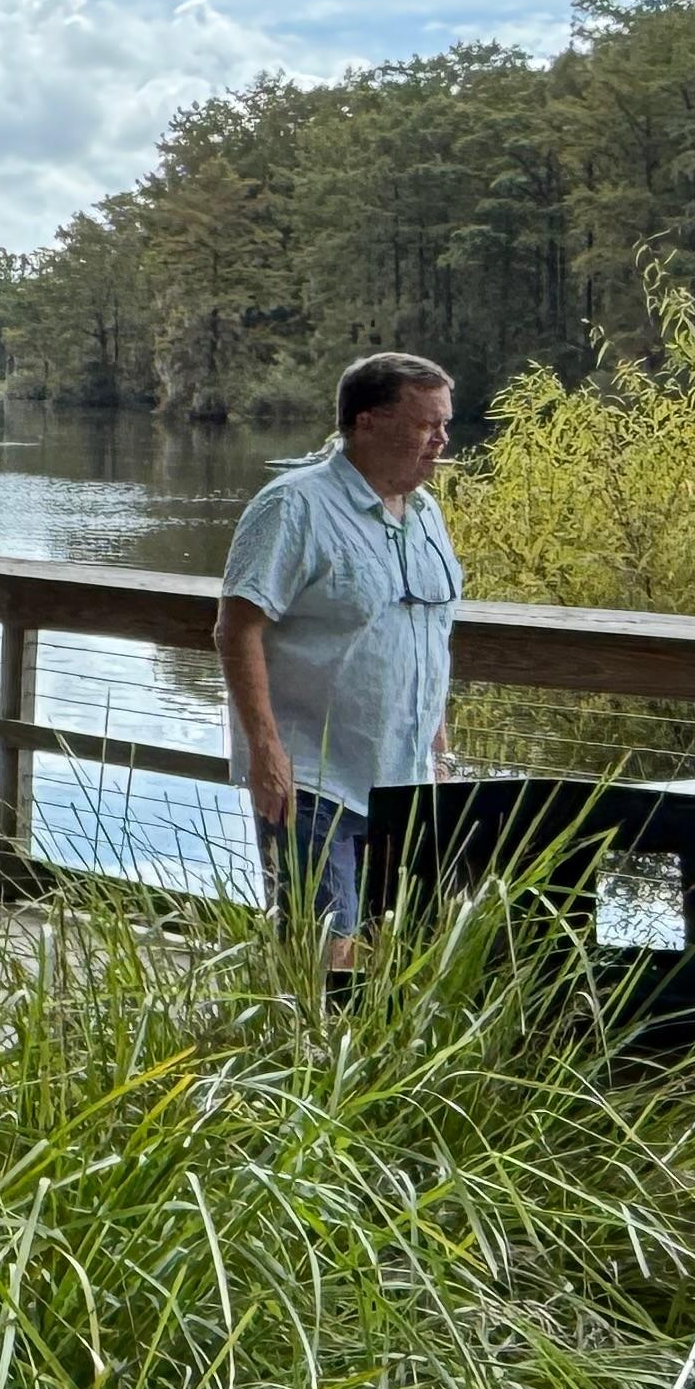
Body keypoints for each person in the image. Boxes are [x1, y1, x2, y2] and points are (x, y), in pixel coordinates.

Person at [213, 351, 462, 970]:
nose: (441, 440)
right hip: (312, 778)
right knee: (322, 954)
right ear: (366, 422)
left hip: (402, 779)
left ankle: (369, 1065)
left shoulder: (424, 514)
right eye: (425, 424)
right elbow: (236, 628)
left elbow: (426, 634)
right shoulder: (293, 507)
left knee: (395, 954)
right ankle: (301, 1059)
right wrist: (266, 753)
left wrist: (440, 748)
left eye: (444, 424)